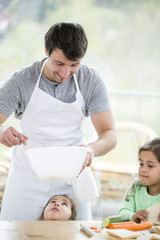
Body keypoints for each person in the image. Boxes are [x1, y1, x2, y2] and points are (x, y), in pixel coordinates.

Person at [0, 22, 117, 221]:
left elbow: (109, 134)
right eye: (59, 64)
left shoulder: (91, 81)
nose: (65, 74)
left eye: (74, 65)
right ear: (46, 51)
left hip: (72, 179)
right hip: (27, 179)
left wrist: (92, 149)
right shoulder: (22, 81)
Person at [118, 137, 160, 223]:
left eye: (150, 166)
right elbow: (123, 211)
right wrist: (133, 216)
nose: (143, 169)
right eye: (141, 164)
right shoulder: (137, 188)